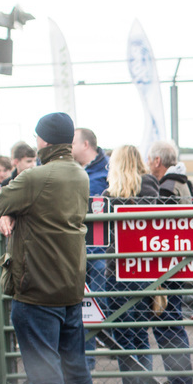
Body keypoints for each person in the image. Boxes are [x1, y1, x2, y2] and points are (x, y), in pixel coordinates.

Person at [0, 112, 98, 384]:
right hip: (70, 286)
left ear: (43, 141)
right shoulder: (79, 174)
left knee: (44, 373)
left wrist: (5, 213)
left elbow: (0, 200)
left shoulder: (35, 177)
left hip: (37, 287)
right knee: (75, 367)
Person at [100, 145, 161, 384]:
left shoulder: (109, 195)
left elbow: (101, 234)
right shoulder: (150, 187)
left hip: (118, 271)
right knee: (140, 335)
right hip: (144, 270)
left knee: (124, 338)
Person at [144, 140, 193, 384]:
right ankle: (181, 382)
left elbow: (160, 228)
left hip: (168, 266)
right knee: (172, 321)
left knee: (168, 322)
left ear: (157, 161)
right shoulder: (184, 183)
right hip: (180, 264)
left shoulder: (166, 188)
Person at [72, 128, 112, 371]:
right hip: (80, 249)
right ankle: (88, 358)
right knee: (85, 305)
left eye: (73, 142)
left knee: (99, 303)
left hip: (98, 250)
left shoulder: (104, 171)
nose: (69, 147)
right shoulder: (79, 171)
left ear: (86, 144)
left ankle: (112, 345)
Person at [71, 128, 110, 197]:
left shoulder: (108, 169)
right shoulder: (74, 170)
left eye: (72, 143)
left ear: (85, 144)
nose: (69, 147)